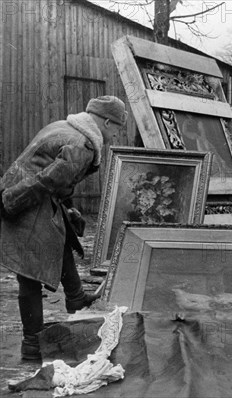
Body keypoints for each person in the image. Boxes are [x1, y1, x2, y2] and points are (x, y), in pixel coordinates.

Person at [0, 95, 128, 360]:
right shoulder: (83, 145)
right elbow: (48, 179)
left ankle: (76, 297)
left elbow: (56, 177)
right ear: (106, 122)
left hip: (26, 190)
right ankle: (32, 344)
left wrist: (68, 208)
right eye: (116, 128)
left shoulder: (65, 126)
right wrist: (12, 201)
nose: (115, 135)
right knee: (30, 272)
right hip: (25, 198)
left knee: (64, 235)